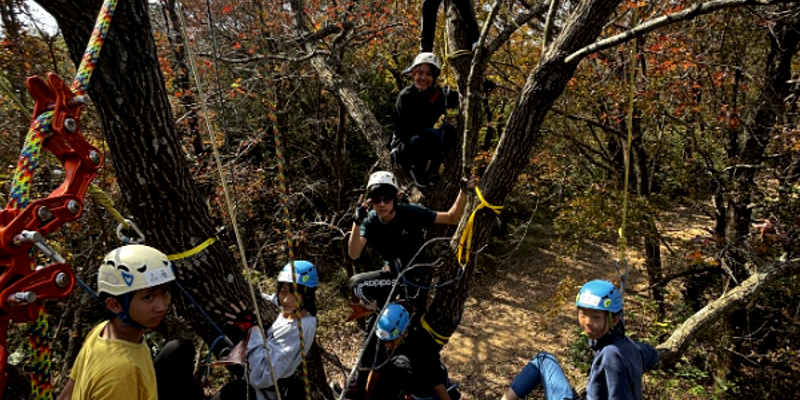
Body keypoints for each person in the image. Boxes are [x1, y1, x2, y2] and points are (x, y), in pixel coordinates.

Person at [57, 245, 196, 400]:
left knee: (180, 349)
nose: (162, 306)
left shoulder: (101, 330)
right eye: (148, 297)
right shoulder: (122, 375)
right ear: (114, 305)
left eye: (165, 292)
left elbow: (67, 395)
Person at [501, 280, 659, 400]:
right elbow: (653, 354)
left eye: (596, 317)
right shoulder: (629, 346)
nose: (587, 322)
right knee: (544, 359)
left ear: (615, 320)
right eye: (583, 314)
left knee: (542, 360)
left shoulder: (611, 356)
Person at [348, 171, 474, 316]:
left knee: (402, 319)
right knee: (356, 285)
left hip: (415, 275)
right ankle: (380, 311)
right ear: (370, 202)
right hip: (392, 274)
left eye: (387, 199)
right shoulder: (371, 220)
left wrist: (463, 191)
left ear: (395, 198)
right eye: (376, 200)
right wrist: (356, 222)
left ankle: (389, 311)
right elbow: (354, 253)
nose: (382, 204)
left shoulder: (410, 213)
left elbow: (451, 218)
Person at [213, 261, 319, 400]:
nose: (286, 299)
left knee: (229, 393)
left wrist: (253, 329)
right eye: (283, 291)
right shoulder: (291, 310)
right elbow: (272, 300)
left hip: (266, 393)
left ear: (308, 295)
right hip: (258, 385)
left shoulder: (299, 329)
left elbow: (261, 377)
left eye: (295, 293)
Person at [362, 303, 459, 400]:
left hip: (427, 393)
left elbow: (437, 384)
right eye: (384, 341)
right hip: (406, 385)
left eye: (390, 341)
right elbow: (377, 370)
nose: (387, 344)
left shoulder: (423, 346)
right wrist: (366, 396)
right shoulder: (386, 338)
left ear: (405, 332)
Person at [392, 52, 459, 187]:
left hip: (425, 141)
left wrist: (481, 86)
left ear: (434, 77)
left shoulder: (437, 94)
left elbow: (459, 96)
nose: (423, 78)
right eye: (420, 73)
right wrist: (431, 101)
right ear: (413, 74)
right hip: (405, 146)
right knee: (428, 134)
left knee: (449, 130)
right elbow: (411, 128)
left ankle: (433, 170)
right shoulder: (406, 96)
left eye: (429, 74)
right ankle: (417, 170)